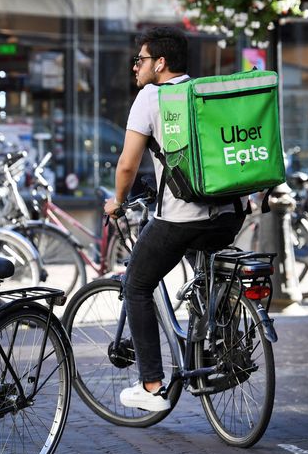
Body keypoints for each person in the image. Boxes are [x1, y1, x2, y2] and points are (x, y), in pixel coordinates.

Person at [103, 26, 246, 411]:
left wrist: (116, 201)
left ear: (160, 63)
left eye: (141, 60)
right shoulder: (203, 93)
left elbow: (128, 165)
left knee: (136, 283)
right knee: (201, 270)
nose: (136, 67)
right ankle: (213, 338)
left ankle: (151, 386)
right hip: (230, 214)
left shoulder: (152, 97)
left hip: (182, 217)